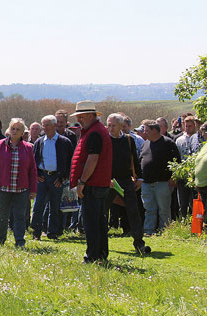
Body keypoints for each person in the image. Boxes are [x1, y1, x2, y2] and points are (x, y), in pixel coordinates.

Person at [69, 101, 113, 263]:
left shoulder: (94, 133)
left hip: (93, 184)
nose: (79, 120)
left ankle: (92, 256)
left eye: (81, 116)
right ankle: (101, 254)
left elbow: (92, 160)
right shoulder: (97, 131)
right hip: (99, 183)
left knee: (91, 222)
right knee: (99, 221)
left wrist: (82, 181)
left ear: (89, 115)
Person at [0, 118, 38, 248]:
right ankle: (0, 241)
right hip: (3, 187)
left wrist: (33, 190)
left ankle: (20, 242)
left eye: (18, 129)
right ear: (9, 130)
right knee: (2, 215)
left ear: (22, 132)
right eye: (13, 128)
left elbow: (33, 170)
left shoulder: (28, 148)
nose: (15, 131)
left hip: (22, 189)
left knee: (20, 216)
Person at [106, 113, 150, 255]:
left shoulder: (128, 140)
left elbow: (134, 160)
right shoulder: (105, 140)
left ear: (121, 126)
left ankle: (139, 243)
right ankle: (100, 242)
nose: (110, 128)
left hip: (125, 180)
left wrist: (139, 178)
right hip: (108, 181)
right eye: (109, 125)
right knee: (102, 212)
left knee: (133, 211)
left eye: (113, 125)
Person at [31, 115, 73, 240]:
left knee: (54, 207)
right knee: (38, 206)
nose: (45, 127)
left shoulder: (64, 142)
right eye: (43, 125)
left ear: (55, 126)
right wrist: (37, 175)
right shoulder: (39, 142)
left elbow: (69, 161)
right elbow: (33, 161)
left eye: (47, 125)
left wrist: (63, 178)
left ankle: (52, 232)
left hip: (56, 178)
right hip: (42, 177)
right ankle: (36, 232)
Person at [139, 119, 181, 235]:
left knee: (164, 209)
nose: (145, 132)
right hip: (146, 183)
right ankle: (149, 230)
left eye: (147, 130)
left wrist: (174, 177)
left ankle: (164, 230)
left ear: (155, 131)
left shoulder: (168, 143)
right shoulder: (145, 143)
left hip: (163, 183)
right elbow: (140, 160)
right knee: (149, 209)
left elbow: (177, 161)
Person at [175, 116, 200, 217]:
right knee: (183, 201)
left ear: (195, 126)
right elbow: (176, 157)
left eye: (190, 126)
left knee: (194, 200)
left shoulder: (198, 139)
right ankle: (183, 220)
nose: (187, 128)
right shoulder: (179, 140)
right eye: (186, 126)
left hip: (195, 174)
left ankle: (195, 221)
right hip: (183, 174)